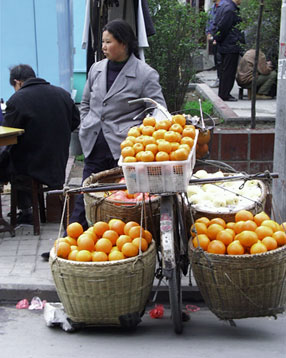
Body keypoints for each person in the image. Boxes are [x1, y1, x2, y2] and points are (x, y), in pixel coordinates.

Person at [69, 18, 166, 230]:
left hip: (123, 148)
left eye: (108, 42)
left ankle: (119, 241)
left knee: (120, 197)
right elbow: (85, 102)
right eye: (102, 42)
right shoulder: (97, 69)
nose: (103, 47)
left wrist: (138, 135)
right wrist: (87, 123)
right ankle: (72, 239)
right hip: (94, 143)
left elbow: (157, 110)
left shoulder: (144, 74)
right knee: (87, 193)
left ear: (123, 43)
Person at [0, 64, 80, 224]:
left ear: (18, 82)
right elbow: (75, 121)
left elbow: (9, 134)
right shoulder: (62, 94)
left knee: (9, 158)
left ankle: (26, 210)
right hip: (58, 160)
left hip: (31, 165)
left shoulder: (17, 99)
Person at [213, 0, 245, 101]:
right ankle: (225, 94)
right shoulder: (230, 9)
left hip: (226, 44)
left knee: (225, 70)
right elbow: (223, 27)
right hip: (230, 44)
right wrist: (219, 38)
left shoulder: (224, 6)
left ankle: (224, 93)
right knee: (228, 71)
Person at [205, 0, 223, 88]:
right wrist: (208, 33)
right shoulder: (213, 8)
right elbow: (209, 21)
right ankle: (219, 79)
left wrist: (216, 37)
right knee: (217, 60)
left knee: (221, 61)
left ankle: (221, 80)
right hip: (214, 38)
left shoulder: (223, 6)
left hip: (220, 39)